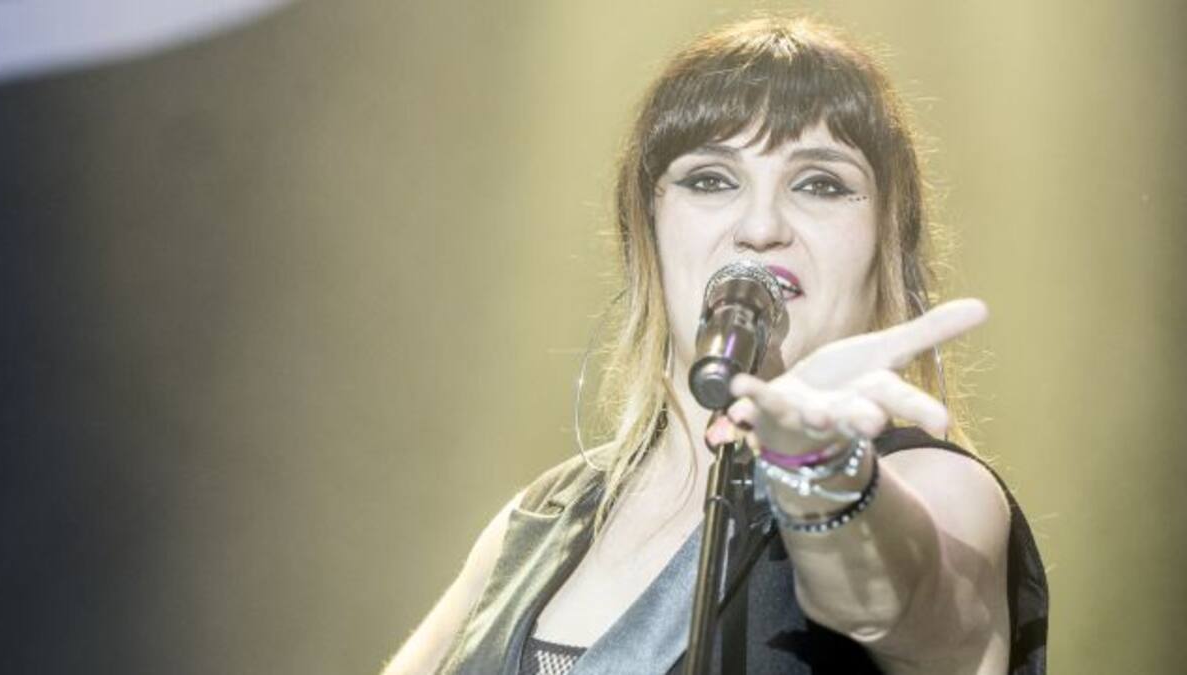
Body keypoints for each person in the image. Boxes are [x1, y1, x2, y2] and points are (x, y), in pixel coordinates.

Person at [383, 15, 1048, 675]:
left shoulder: (942, 491)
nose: (760, 226)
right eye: (710, 179)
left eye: (821, 184)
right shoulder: (535, 523)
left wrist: (819, 467)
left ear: (885, 242)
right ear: (646, 229)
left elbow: (884, 597)